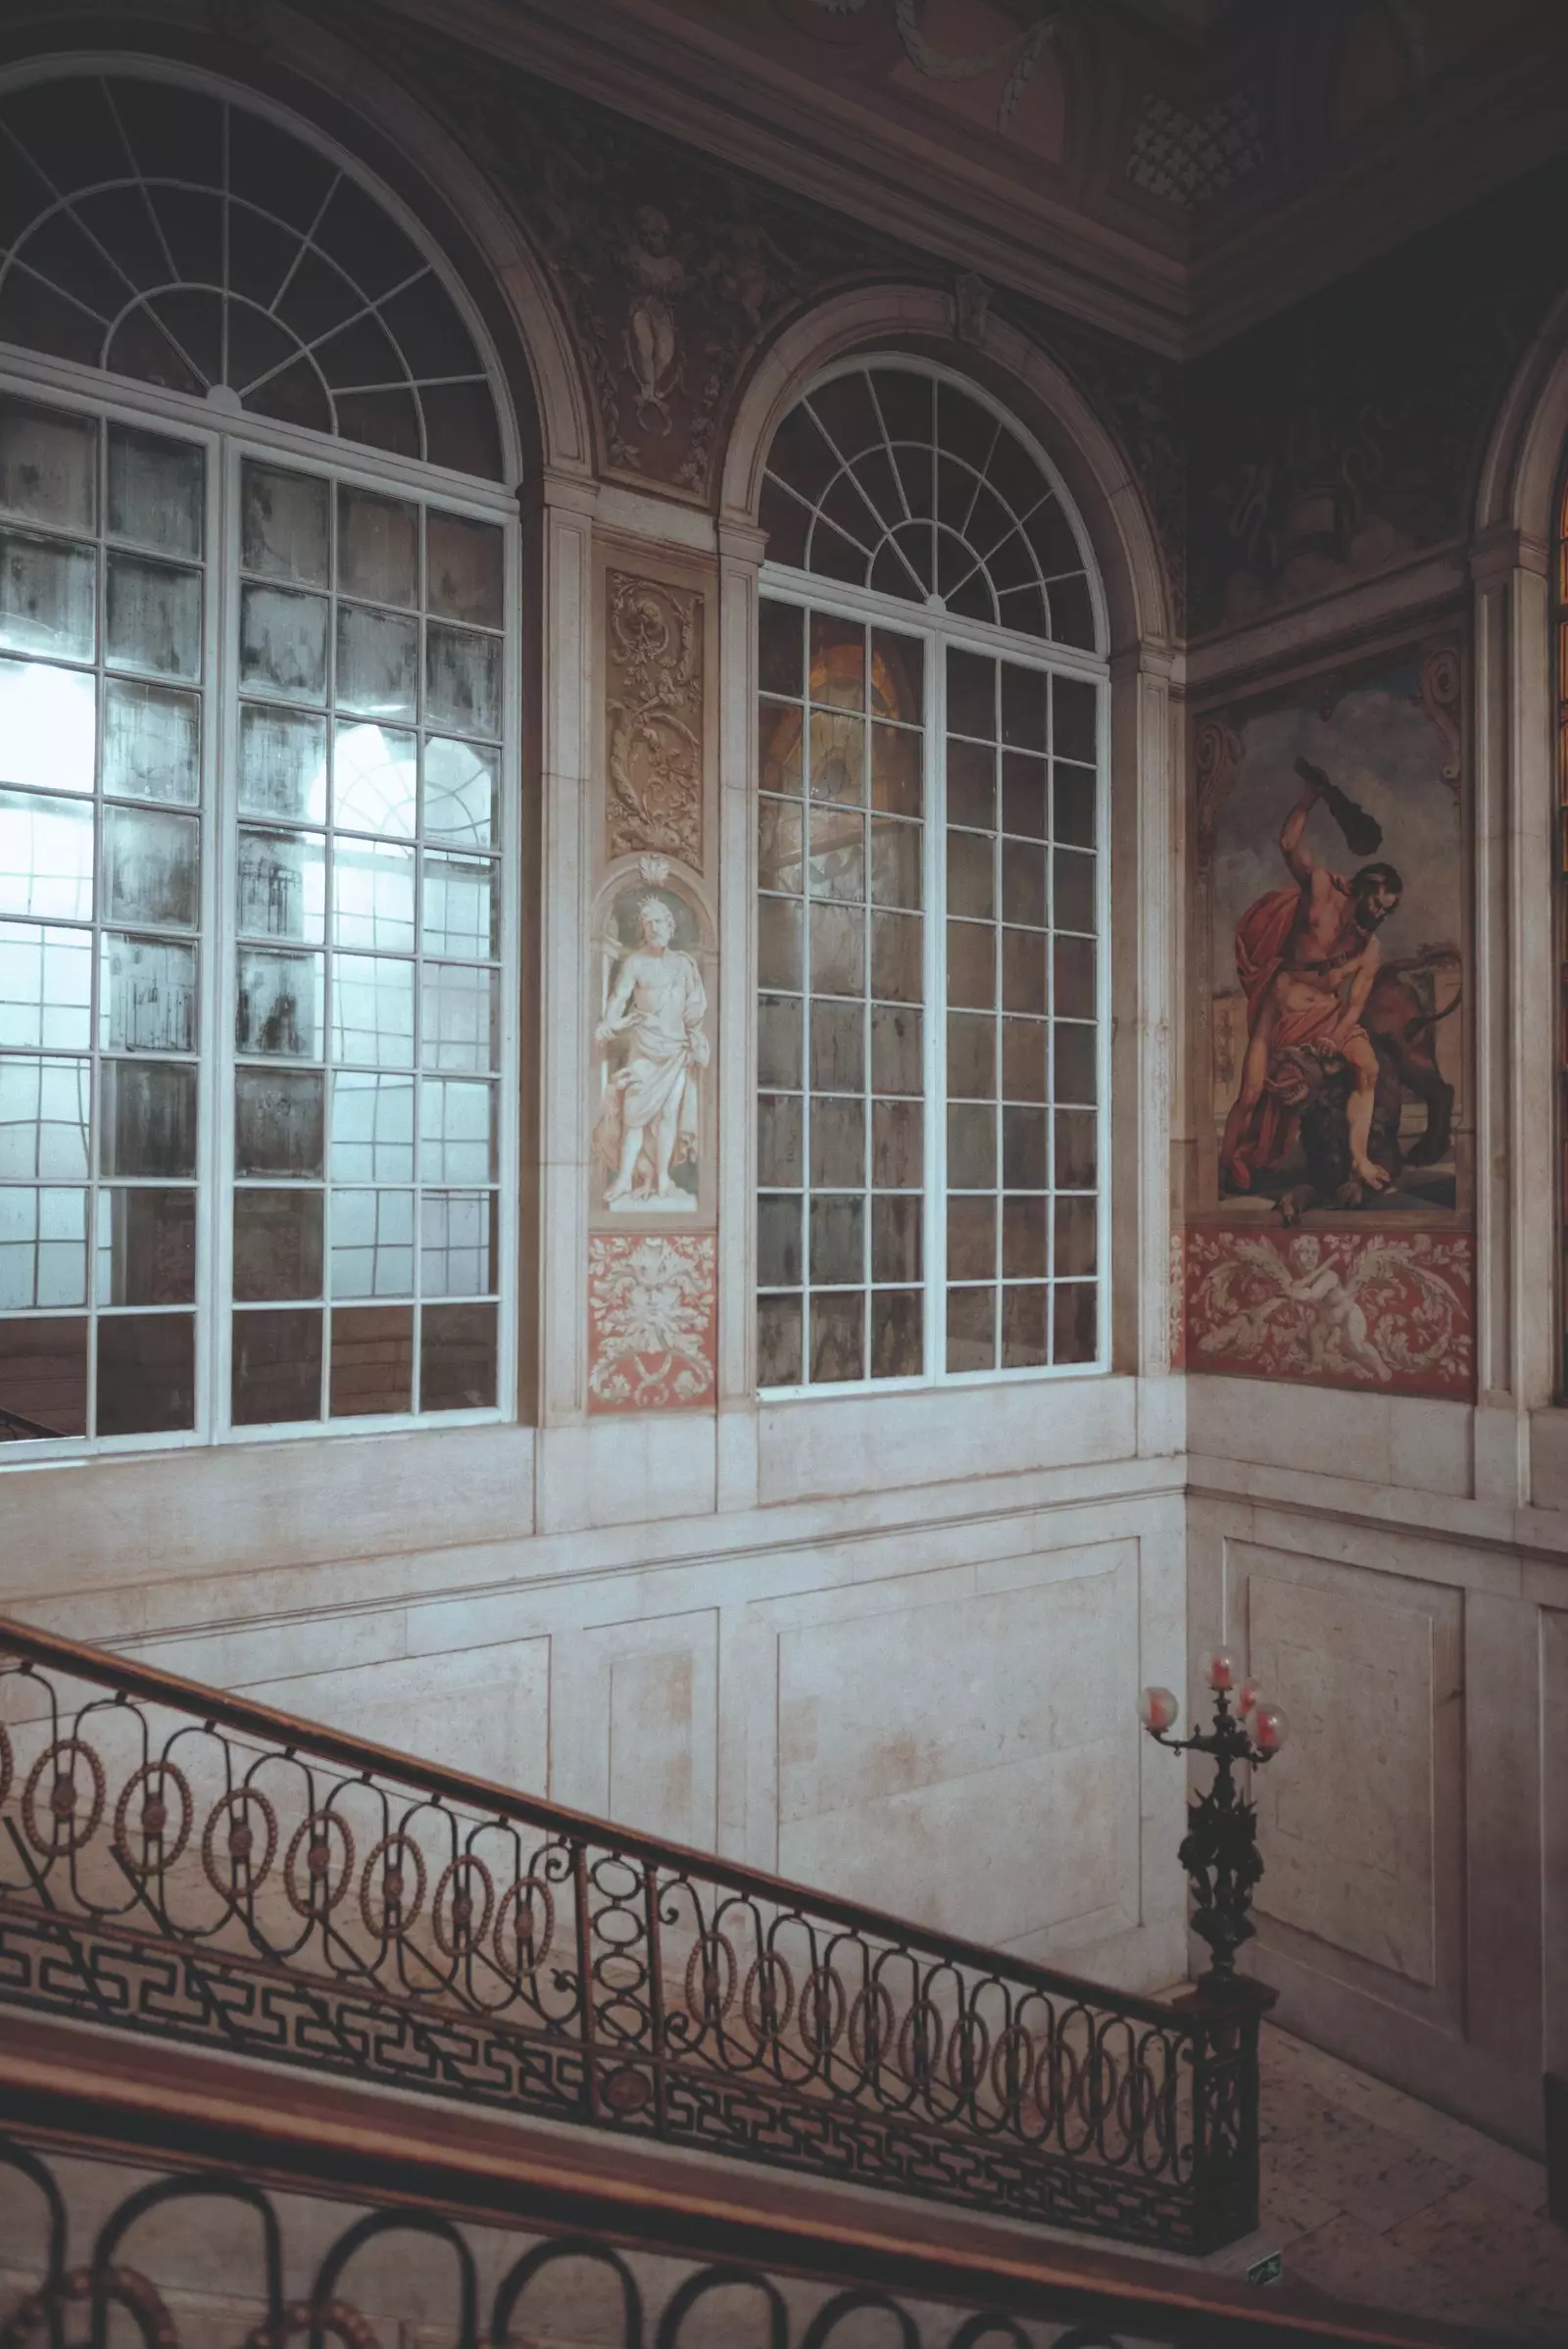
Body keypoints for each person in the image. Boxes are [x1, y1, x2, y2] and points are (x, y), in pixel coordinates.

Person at [1219, 767, 1401, 1196]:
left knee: (1368, 1067)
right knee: (1249, 1095)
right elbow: (1289, 845)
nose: (1377, 915)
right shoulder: (1320, 890)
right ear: (1359, 890)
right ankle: (1227, 1163)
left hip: (1326, 1016)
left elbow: (1354, 1004)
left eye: (1385, 912)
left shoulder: (1370, 949)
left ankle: (1360, 1161)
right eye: (1375, 904)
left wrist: (1337, 1038)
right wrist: (1308, 799)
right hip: (1280, 1008)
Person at [593, 897, 709, 1205]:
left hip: (675, 1050)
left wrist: (694, 1036)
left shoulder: (684, 964)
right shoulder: (636, 963)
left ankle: (662, 1178)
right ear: (643, 930)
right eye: (648, 923)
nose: (654, 928)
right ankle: (624, 1179)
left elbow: (694, 1006)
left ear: (670, 925)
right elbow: (619, 998)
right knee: (634, 1113)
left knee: (669, 1113)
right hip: (644, 1044)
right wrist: (611, 1022)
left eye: (658, 921)